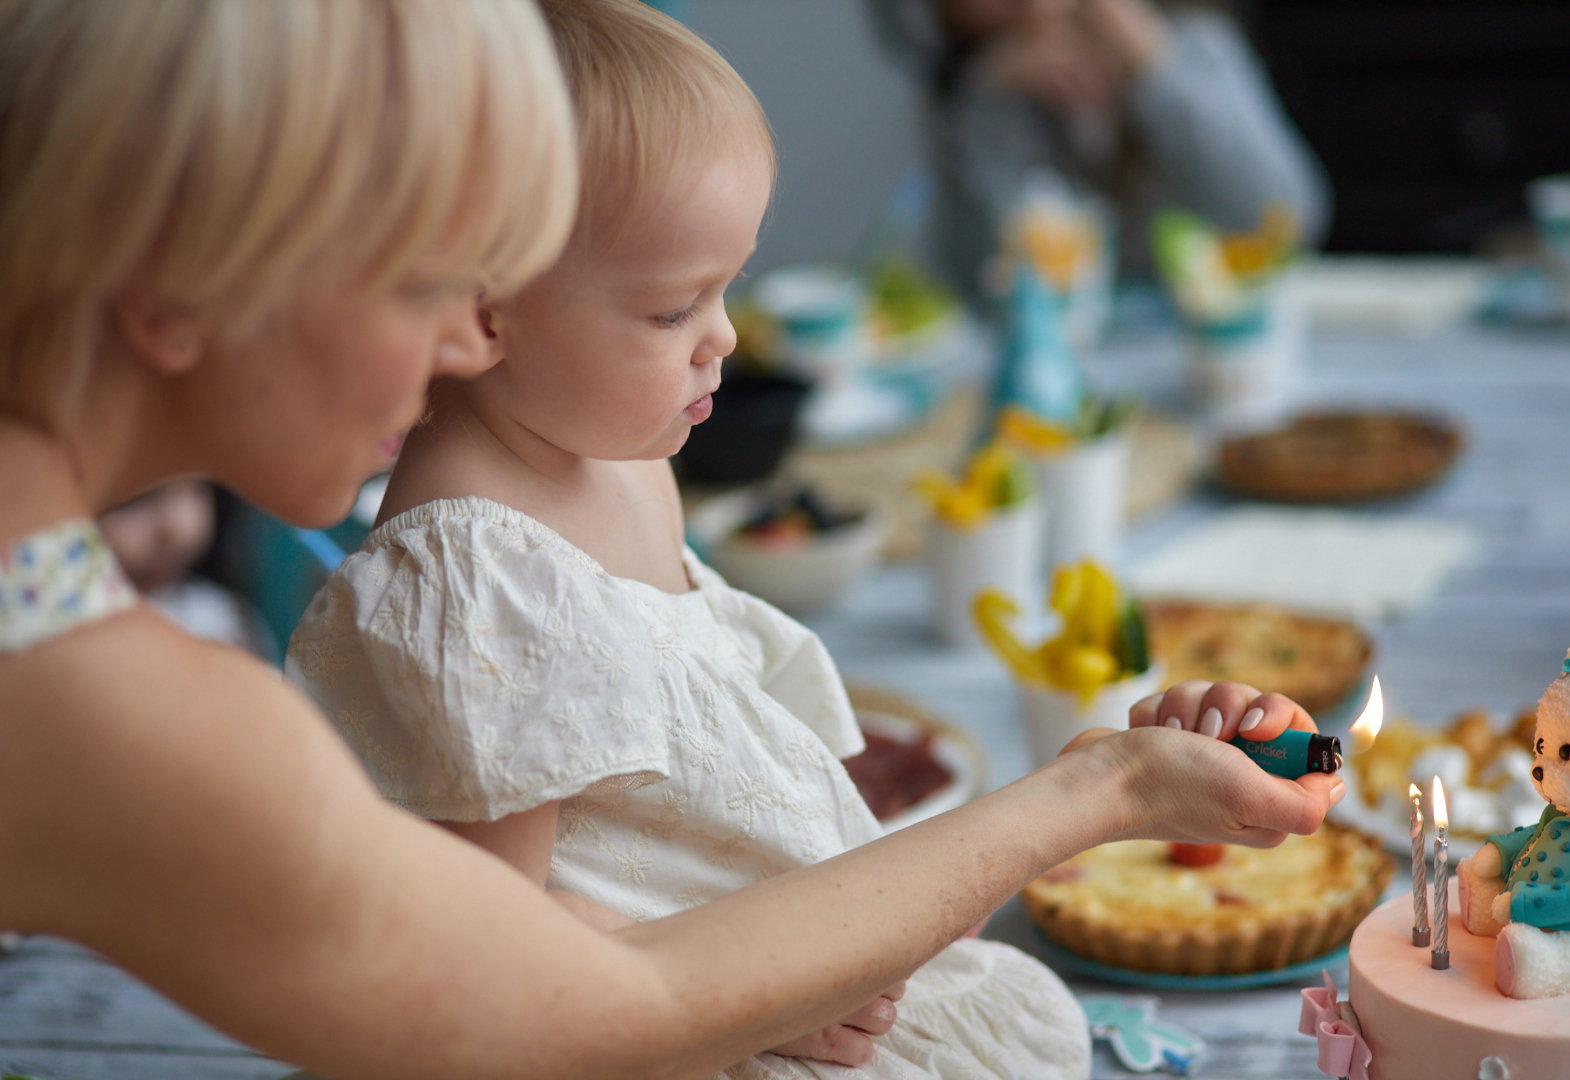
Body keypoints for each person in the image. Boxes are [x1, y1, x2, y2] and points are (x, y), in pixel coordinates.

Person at [0, 0, 1341, 1076]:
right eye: (420, 278)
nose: (469, 341)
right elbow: (578, 1005)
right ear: (179, 290)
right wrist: (1095, 791)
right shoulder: (91, 695)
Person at [868, 0, 1333, 300]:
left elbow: (1289, 219)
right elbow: (978, 281)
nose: (1039, 15)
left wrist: (1154, 66)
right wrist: (986, 110)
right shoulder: (977, 100)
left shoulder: (1193, 46)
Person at [98, 480, 277, 660]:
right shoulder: (88, 639)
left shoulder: (229, 623)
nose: (178, 526)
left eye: (197, 486)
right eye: (136, 499)